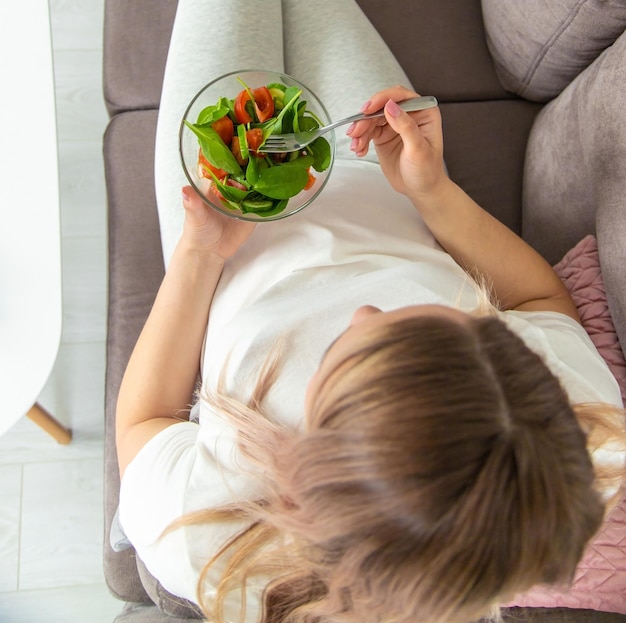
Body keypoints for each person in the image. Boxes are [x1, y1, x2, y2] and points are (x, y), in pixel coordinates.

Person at [115, 1, 626, 622]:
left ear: (310, 465)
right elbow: (537, 301)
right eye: (450, 313)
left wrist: (199, 257)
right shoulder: (565, 441)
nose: (362, 311)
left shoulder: (214, 542)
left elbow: (143, 422)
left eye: (339, 354)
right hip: (377, 176)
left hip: (226, 221)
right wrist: (431, 191)